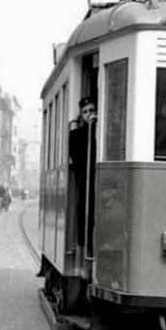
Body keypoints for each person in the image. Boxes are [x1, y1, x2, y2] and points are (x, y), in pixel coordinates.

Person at [69, 96, 97, 247]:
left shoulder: (102, 132)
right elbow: (77, 161)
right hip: (86, 180)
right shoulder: (76, 135)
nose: (89, 114)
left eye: (92, 110)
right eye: (85, 111)